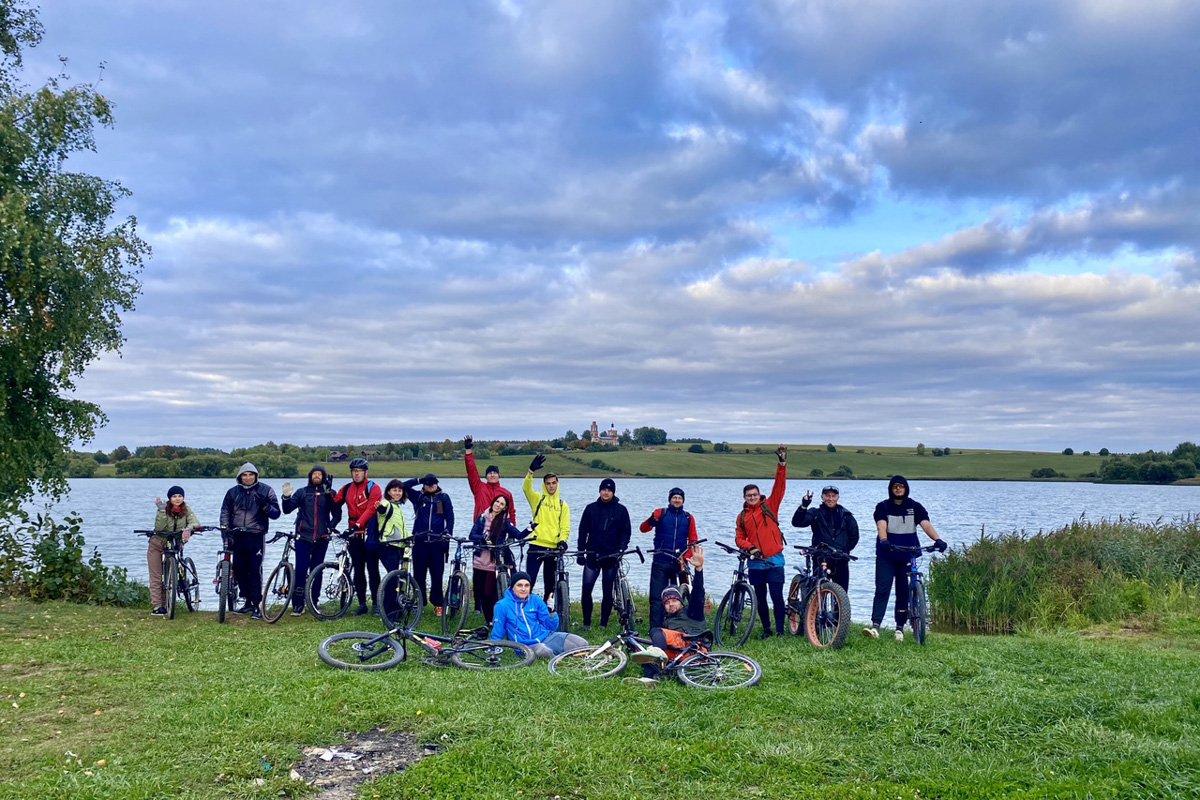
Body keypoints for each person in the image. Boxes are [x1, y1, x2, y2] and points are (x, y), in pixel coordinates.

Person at [867, 475, 948, 641]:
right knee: (882, 589)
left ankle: (900, 628)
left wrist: (937, 540)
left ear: (905, 488)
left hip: (907, 554)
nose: (898, 489)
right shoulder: (883, 506)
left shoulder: (915, 507)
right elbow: (881, 525)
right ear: (891, 489)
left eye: (901, 486)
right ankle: (875, 626)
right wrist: (883, 540)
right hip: (886, 555)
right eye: (895, 486)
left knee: (903, 591)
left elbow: (925, 524)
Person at [626, 546, 708, 687]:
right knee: (647, 652)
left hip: (694, 647)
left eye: (674, 601)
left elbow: (698, 595)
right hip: (679, 652)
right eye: (667, 603)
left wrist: (699, 570)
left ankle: (656, 656)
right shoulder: (668, 623)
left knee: (655, 631)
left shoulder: (692, 612)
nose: (671, 605)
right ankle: (649, 679)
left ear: (681, 602)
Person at [733, 445, 788, 638]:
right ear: (744, 498)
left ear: (759, 495)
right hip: (756, 562)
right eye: (749, 496)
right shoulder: (741, 517)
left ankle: (781, 631)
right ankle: (767, 630)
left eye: (755, 495)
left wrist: (781, 464)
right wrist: (751, 547)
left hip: (774, 560)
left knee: (777, 596)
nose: (752, 498)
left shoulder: (770, 506)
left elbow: (779, 486)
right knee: (760, 599)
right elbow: (739, 538)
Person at [219, 462, 281, 620]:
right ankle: (246, 600)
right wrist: (225, 528)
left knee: (254, 569)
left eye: (251, 474)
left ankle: (256, 603)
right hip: (237, 534)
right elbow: (225, 511)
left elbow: (276, 513)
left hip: (256, 535)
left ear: (256, 476)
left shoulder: (265, 490)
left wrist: (265, 507)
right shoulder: (233, 492)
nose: (247, 477)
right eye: (244, 475)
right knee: (239, 569)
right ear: (240, 477)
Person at [281, 465, 342, 616]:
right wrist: (286, 497)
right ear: (310, 476)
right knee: (301, 570)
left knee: (317, 571)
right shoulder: (302, 492)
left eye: (319, 474)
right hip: (303, 537)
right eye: (314, 474)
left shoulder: (329, 493)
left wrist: (330, 527)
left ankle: (314, 602)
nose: (316, 476)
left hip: (322, 538)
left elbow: (337, 513)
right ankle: (298, 604)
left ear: (324, 476)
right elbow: (287, 509)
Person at [489, 571, 588, 658]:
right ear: (512, 587)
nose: (523, 589)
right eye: (519, 585)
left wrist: (551, 611)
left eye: (527, 585)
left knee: (582, 643)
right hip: (524, 645)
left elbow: (550, 627)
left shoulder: (535, 599)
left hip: (545, 637)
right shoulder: (502, 605)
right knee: (544, 651)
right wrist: (493, 648)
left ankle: (565, 655)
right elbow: (498, 630)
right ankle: (560, 661)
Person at [639, 486, 699, 630]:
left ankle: (676, 627)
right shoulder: (662, 514)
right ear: (670, 499)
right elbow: (643, 528)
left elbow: (693, 540)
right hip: (660, 561)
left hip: (679, 563)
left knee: (678, 598)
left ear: (683, 500)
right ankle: (655, 629)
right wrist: (653, 518)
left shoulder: (688, 517)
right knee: (656, 598)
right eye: (674, 498)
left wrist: (686, 557)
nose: (677, 500)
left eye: (679, 498)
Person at [576, 478, 631, 630]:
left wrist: (621, 549)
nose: (606, 492)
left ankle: (603, 624)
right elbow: (582, 531)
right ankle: (586, 624)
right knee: (586, 589)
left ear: (613, 492)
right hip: (592, 555)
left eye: (609, 490)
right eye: (603, 489)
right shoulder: (590, 509)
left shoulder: (621, 510)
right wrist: (581, 552)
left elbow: (626, 533)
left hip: (611, 556)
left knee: (607, 591)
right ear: (600, 490)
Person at [331, 457, 383, 615]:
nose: (356, 474)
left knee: (373, 570)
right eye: (354, 471)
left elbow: (370, 510)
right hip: (354, 535)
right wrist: (328, 491)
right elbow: (334, 503)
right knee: (358, 570)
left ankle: (375, 604)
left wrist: (357, 525)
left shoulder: (373, 488)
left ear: (366, 472)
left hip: (369, 533)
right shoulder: (347, 488)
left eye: (359, 471)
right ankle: (361, 604)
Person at [402, 472, 455, 615]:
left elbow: (450, 517)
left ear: (437, 484)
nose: (431, 486)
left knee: (437, 574)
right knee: (419, 574)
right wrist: (419, 480)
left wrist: (447, 532)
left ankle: (438, 603)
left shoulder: (443, 497)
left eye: (433, 483)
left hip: (438, 543)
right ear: (424, 485)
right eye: (428, 483)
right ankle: (420, 602)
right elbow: (403, 486)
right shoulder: (418, 496)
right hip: (420, 542)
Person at [790, 485, 860, 591]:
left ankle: (839, 608)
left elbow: (854, 536)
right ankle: (813, 606)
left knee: (842, 593)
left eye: (833, 496)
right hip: (820, 557)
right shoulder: (815, 513)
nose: (830, 499)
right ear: (822, 497)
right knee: (817, 590)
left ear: (838, 497)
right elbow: (797, 522)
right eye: (827, 496)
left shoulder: (846, 515)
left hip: (840, 559)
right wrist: (804, 507)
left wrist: (845, 549)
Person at [521, 454, 570, 600]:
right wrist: (530, 472)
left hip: (553, 548)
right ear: (544, 485)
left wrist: (563, 540)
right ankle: (525, 610)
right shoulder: (537, 499)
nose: (551, 486)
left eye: (554, 483)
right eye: (548, 483)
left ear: (557, 484)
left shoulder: (562, 505)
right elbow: (525, 489)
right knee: (529, 581)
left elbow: (565, 527)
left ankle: (546, 611)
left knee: (550, 584)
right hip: (536, 545)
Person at [468, 494, 522, 623]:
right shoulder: (481, 517)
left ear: (505, 508)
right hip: (479, 560)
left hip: (494, 561)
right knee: (480, 592)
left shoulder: (504, 520)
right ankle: (489, 621)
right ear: (493, 502)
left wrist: (530, 529)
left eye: (502, 504)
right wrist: (481, 539)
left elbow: (517, 534)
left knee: (489, 592)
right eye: (497, 501)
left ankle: (496, 618)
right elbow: (472, 535)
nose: (498, 505)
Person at [148, 485, 200, 616]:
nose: (177, 499)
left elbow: (195, 522)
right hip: (158, 543)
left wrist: (189, 529)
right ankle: (158, 606)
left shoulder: (186, 509)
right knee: (156, 575)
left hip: (175, 543)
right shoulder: (163, 509)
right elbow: (159, 527)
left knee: (171, 573)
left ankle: (177, 590)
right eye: (174, 496)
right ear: (169, 498)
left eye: (180, 496)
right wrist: (161, 511)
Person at [463, 434, 516, 522]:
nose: (492, 475)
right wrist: (468, 450)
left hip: (499, 530)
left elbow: (511, 513)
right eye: (490, 473)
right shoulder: (479, 488)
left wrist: (512, 530)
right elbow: (472, 471)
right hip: (481, 528)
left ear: (499, 476)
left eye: (495, 473)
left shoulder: (506, 493)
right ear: (486, 476)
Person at [373, 479, 411, 574]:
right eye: (394, 490)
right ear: (388, 492)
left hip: (398, 545)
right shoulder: (386, 503)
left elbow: (400, 529)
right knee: (393, 576)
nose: (397, 493)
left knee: (398, 577)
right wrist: (381, 509)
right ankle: (385, 589)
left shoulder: (396, 507)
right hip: (388, 546)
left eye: (400, 490)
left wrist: (410, 537)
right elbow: (382, 510)